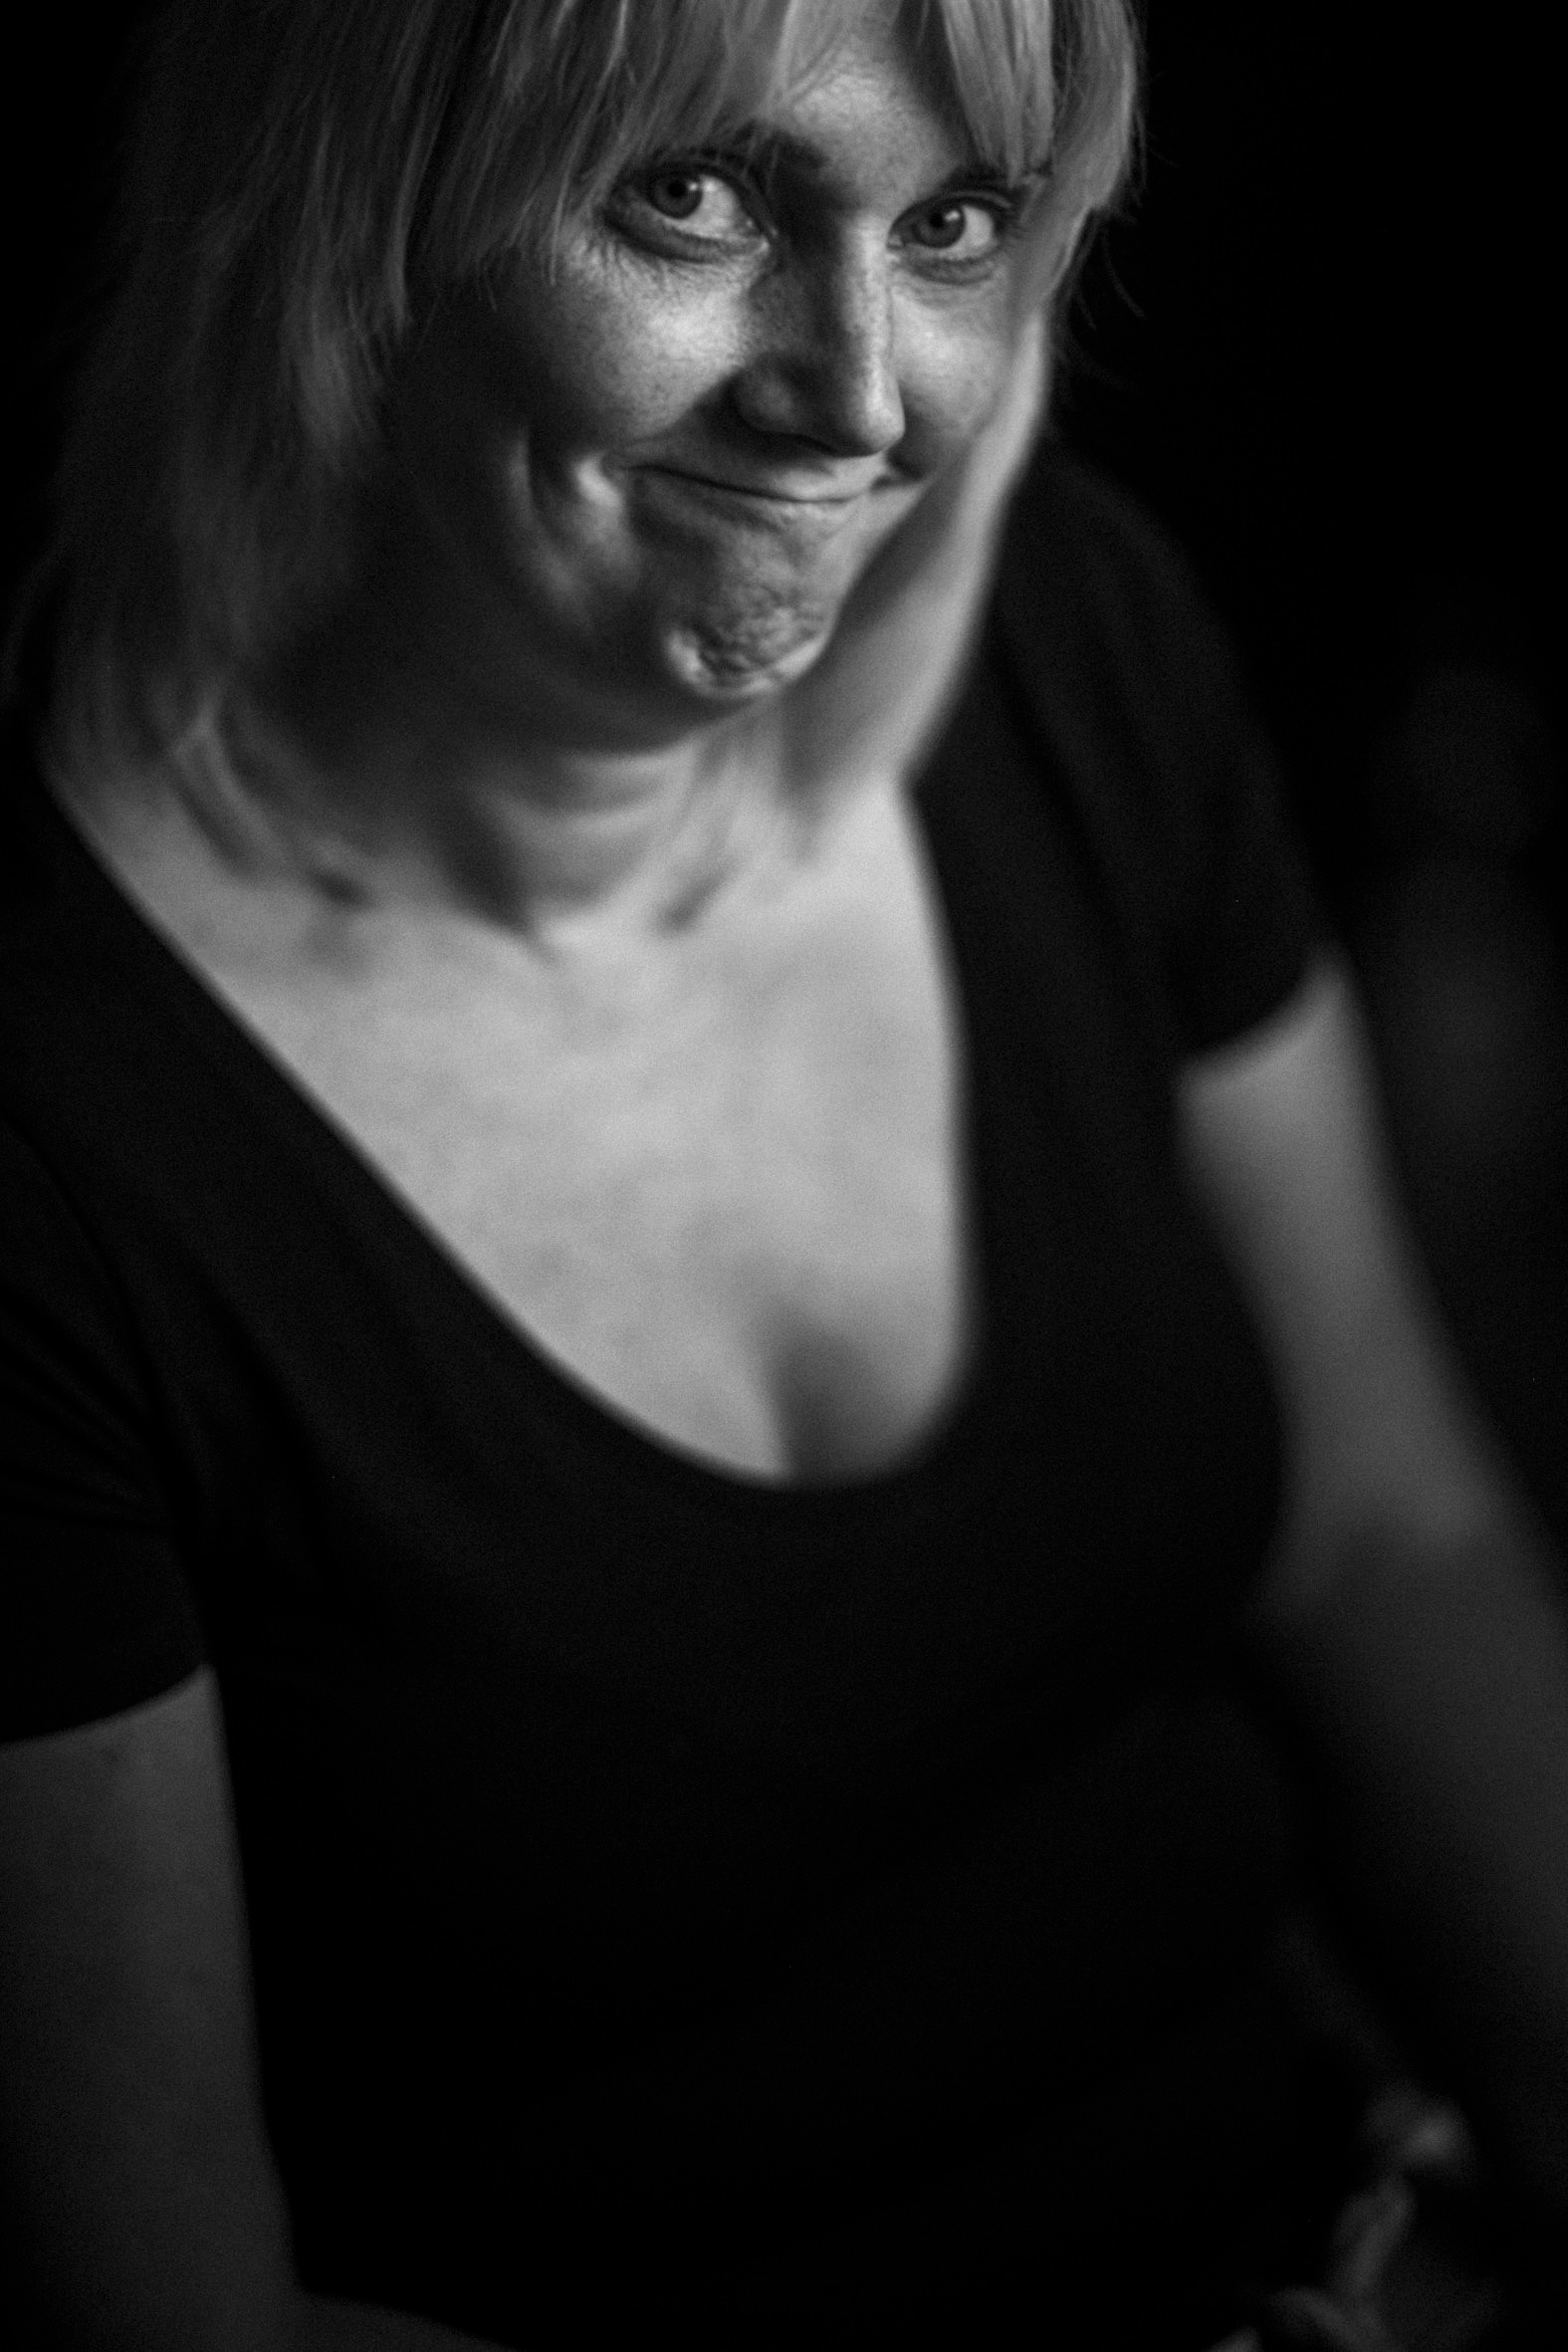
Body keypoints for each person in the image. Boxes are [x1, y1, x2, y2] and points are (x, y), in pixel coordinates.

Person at [2, 2, 1566, 2345]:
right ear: (346, 220)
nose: (858, 395)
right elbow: (168, 2311)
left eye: (953, 227)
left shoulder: (1068, 655)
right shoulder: (56, 1133)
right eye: (693, 198)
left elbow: (1380, 1527)